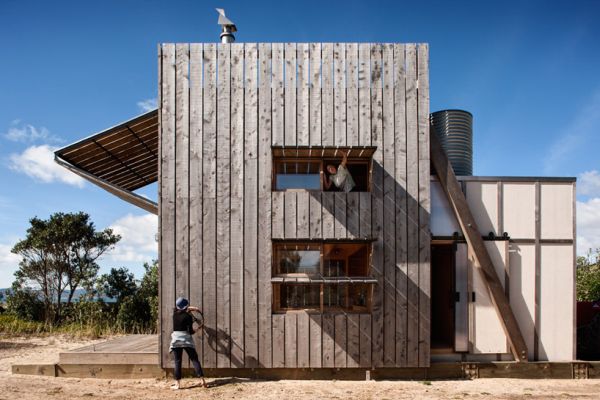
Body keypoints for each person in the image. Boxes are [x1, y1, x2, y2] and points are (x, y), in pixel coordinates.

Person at [169, 297, 206, 390]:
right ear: (186, 306)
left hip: (176, 341)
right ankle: (202, 381)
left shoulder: (174, 314)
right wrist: (197, 329)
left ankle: (177, 384)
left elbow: (181, 309)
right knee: (194, 360)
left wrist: (192, 308)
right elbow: (190, 331)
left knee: (178, 362)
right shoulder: (188, 317)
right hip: (186, 340)